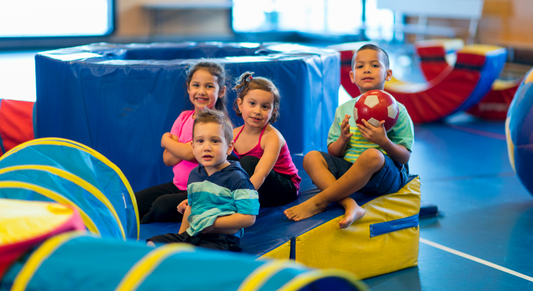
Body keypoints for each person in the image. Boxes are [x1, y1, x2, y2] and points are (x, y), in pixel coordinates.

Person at [284, 44, 414, 229]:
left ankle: (320, 201)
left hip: (384, 177)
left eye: (375, 65)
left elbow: (405, 156)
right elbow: (334, 152)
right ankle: (349, 203)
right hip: (350, 173)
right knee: (311, 157)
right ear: (352, 76)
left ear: (388, 74)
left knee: (372, 155)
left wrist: (383, 141)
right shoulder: (344, 110)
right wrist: (343, 139)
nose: (367, 69)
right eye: (360, 66)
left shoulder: (398, 110)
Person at [147, 108, 259, 251]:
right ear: (193, 147)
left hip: (221, 239)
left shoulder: (237, 177)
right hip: (195, 235)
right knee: (151, 244)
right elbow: (191, 209)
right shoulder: (195, 174)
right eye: (200, 141)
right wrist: (182, 238)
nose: (207, 147)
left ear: (229, 147)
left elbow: (248, 217)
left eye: (215, 141)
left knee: (198, 257)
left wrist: (212, 224)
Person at [135, 61, 229, 223]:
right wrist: (183, 150)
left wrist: (165, 141)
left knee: (161, 205)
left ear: (221, 91)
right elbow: (168, 159)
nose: (201, 92)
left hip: (201, 190)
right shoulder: (183, 117)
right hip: (178, 186)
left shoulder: (218, 122)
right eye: (196, 85)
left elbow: (191, 154)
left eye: (209, 86)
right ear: (188, 88)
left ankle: (143, 223)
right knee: (135, 201)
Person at [231, 72, 301, 207]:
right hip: (256, 184)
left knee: (248, 162)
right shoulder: (233, 134)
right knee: (227, 160)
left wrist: (240, 200)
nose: (257, 111)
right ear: (240, 104)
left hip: (284, 187)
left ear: (273, 111)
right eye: (252, 103)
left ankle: (241, 199)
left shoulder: (272, 137)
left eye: (265, 107)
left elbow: (261, 173)